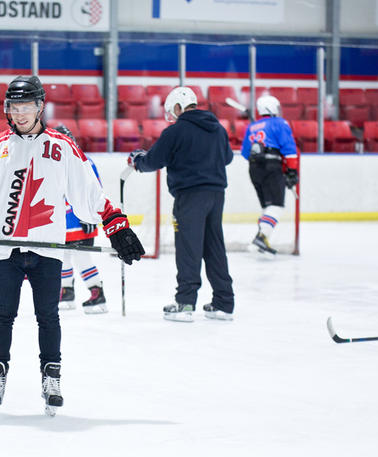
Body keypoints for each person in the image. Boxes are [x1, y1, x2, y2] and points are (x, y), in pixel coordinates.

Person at [0, 76, 144, 416]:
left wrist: (115, 224)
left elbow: (88, 193)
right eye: (14, 107)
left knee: (48, 317)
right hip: (4, 248)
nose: (19, 114)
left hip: (47, 247)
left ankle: (51, 377)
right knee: (2, 315)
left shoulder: (62, 146)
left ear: (40, 107)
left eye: (26, 106)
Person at [127, 86, 234, 322]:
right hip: (216, 194)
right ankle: (224, 302)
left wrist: (137, 161)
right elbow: (227, 157)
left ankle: (185, 303)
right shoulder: (217, 128)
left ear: (178, 107)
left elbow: (153, 160)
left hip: (189, 196)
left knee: (188, 248)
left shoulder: (176, 131)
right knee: (213, 246)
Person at [54, 124, 107, 314]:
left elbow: (96, 191)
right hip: (63, 224)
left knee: (81, 256)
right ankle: (66, 291)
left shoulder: (84, 161)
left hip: (81, 221)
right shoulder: (55, 164)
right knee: (63, 255)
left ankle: (97, 292)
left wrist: (91, 214)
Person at [240, 95, 299, 255]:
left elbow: (245, 153)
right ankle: (261, 237)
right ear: (272, 108)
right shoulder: (280, 123)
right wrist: (292, 170)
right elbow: (289, 148)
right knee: (276, 206)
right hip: (271, 167)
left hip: (254, 169)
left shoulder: (252, 126)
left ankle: (262, 239)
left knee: (267, 207)